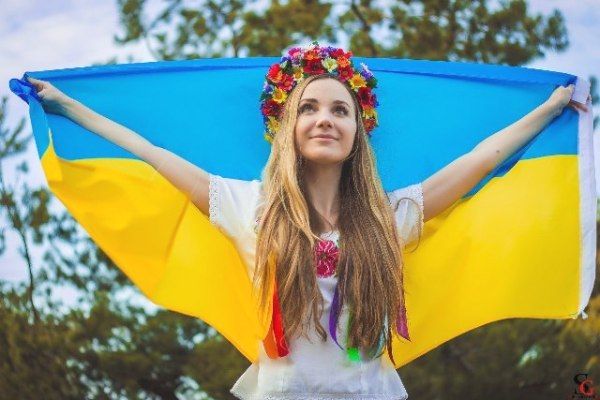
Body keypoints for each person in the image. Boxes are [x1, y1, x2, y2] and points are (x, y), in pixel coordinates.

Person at [27, 43, 586, 399]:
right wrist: (69, 107)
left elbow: (480, 162)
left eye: (341, 110)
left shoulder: (389, 218)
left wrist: (550, 108)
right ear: (288, 127)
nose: (325, 119)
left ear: (357, 133)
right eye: (310, 108)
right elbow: (151, 153)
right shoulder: (252, 209)